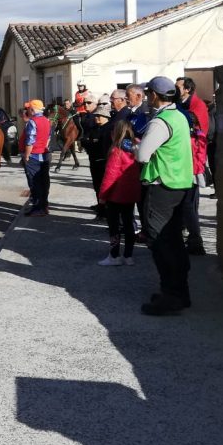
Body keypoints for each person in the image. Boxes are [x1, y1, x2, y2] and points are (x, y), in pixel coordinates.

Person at [135, 76, 194, 316]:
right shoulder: (179, 115)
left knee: (160, 242)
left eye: (149, 94)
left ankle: (171, 296)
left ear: (155, 96)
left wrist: (134, 146)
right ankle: (180, 293)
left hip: (162, 186)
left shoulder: (160, 122)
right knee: (175, 241)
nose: (148, 98)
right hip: (180, 184)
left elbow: (142, 156)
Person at [97, 120, 141, 266]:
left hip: (116, 195)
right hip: (131, 193)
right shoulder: (136, 148)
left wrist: (102, 196)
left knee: (114, 226)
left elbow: (110, 176)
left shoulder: (117, 151)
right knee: (129, 224)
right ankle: (128, 255)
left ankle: (114, 255)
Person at [175, 77, 210, 255]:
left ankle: (196, 241)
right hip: (184, 160)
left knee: (189, 204)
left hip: (192, 161)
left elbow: (201, 136)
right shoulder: (180, 103)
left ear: (187, 89)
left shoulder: (197, 106)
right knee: (184, 204)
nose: (175, 89)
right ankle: (184, 236)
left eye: (178, 86)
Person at [22, 99, 51, 216]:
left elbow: (30, 141)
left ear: (32, 109)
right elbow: (48, 138)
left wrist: (27, 155)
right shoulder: (46, 120)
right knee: (44, 181)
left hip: (34, 155)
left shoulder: (32, 122)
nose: (28, 110)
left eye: (29, 108)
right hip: (44, 154)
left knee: (35, 182)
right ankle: (44, 205)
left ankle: (38, 207)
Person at [84, 106, 112, 218]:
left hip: (104, 162)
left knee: (103, 187)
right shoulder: (94, 128)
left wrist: (91, 143)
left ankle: (105, 211)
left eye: (98, 116)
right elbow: (86, 140)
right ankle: (100, 209)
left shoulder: (109, 129)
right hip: (93, 160)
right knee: (96, 186)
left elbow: (103, 146)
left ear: (105, 117)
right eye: (95, 116)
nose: (96, 118)